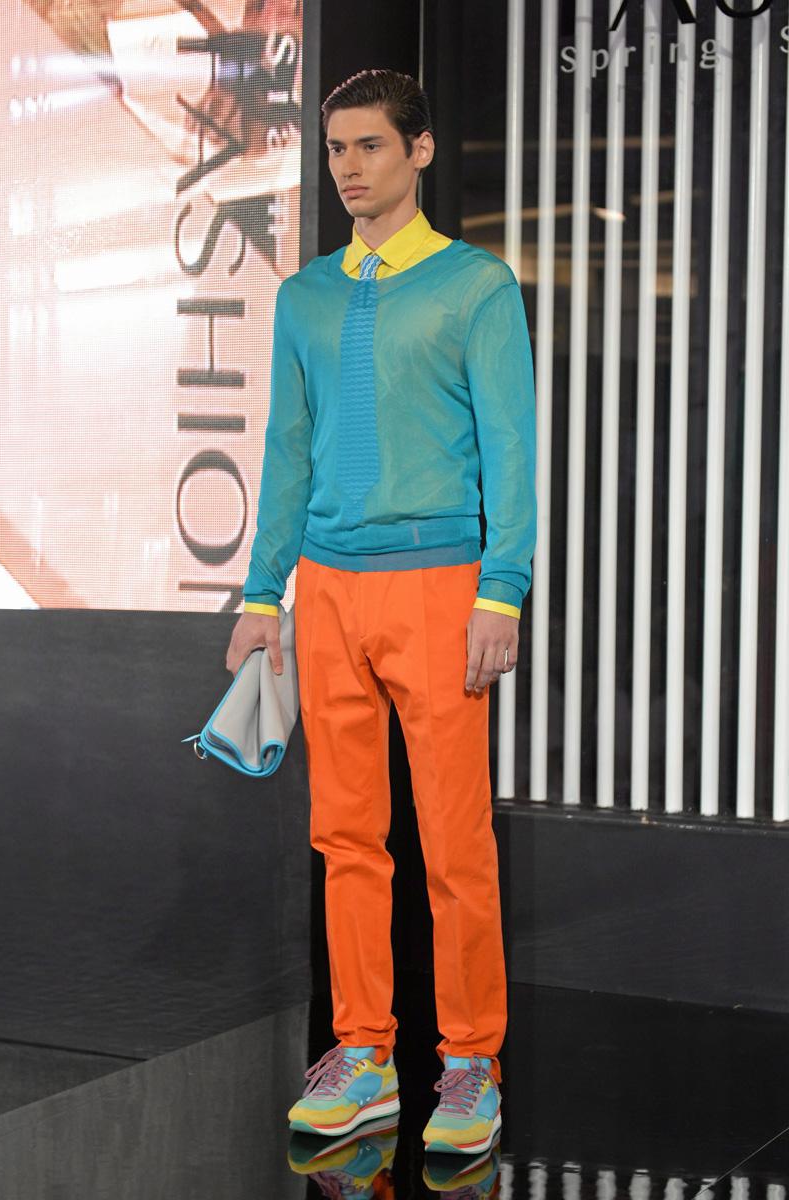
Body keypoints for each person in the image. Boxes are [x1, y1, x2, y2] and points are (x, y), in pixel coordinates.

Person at [226, 68, 536, 1156]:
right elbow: (287, 451)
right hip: (327, 592)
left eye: (369, 146)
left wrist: (502, 589)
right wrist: (261, 594)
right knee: (345, 835)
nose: (348, 168)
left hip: (439, 589)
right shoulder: (303, 297)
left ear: (420, 151)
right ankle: (362, 1054)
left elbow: (511, 449)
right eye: (334, 149)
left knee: (453, 840)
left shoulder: (475, 287)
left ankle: (469, 1065)